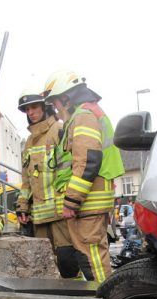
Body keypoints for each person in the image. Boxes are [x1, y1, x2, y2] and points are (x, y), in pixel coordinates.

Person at [42, 70, 125, 283]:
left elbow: (88, 160)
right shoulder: (84, 114)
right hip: (88, 200)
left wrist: (71, 200)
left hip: (88, 201)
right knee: (90, 256)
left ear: (66, 98)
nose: (55, 110)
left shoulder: (83, 116)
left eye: (55, 103)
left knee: (93, 258)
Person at [15, 88, 80, 278]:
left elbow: (70, 168)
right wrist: (22, 206)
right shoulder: (28, 142)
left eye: (34, 107)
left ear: (45, 108)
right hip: (40, 216)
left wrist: (72, 200)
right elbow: (26, 179)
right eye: (27, 110)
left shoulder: (59, 130)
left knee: (68, 261)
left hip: (61, 212)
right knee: (42, 264)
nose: (31, 113)